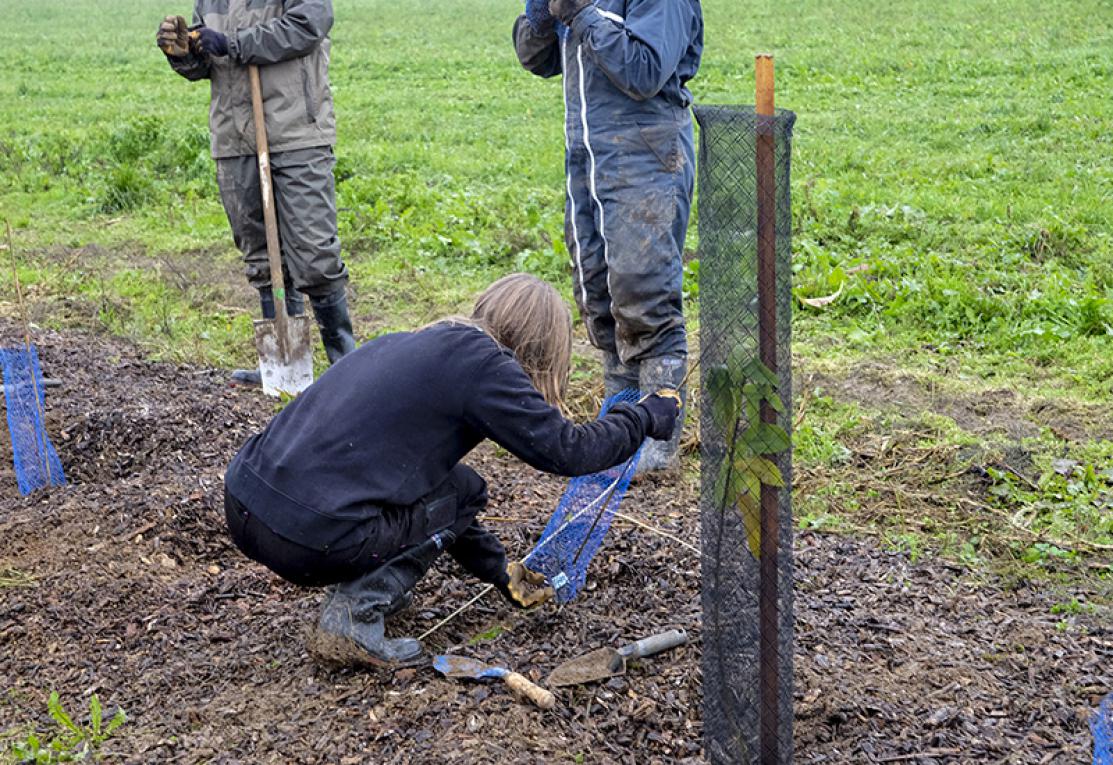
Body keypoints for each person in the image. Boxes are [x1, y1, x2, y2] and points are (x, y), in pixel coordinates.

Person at [222, 274, 681, 667]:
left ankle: (367, 587)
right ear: (542, 346)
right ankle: (353, 615)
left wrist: (499, 569)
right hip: (305, 538)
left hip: (244, 500)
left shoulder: (416, 343)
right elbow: (567, 452)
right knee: (465, 490)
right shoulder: (486, 366)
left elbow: (442, 497)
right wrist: (643, 417)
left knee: (459, 487)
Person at [512, 0, 703, 473]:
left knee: (644, 291)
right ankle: (621, 428)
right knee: (600, 294)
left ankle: (659, 443)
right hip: (588, 153)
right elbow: (537, 60)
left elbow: (645, 70)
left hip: (645, 150)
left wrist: (581, 15)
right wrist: (539, 19)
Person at [156, 0, 356, 384]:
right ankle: (284, 366)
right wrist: (184, 53)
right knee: (262, 257)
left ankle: (346, 366)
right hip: (234, 137)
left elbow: (308, 26)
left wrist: (233, 42)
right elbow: (209, 58)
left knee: (315, 255)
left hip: (297, 132)